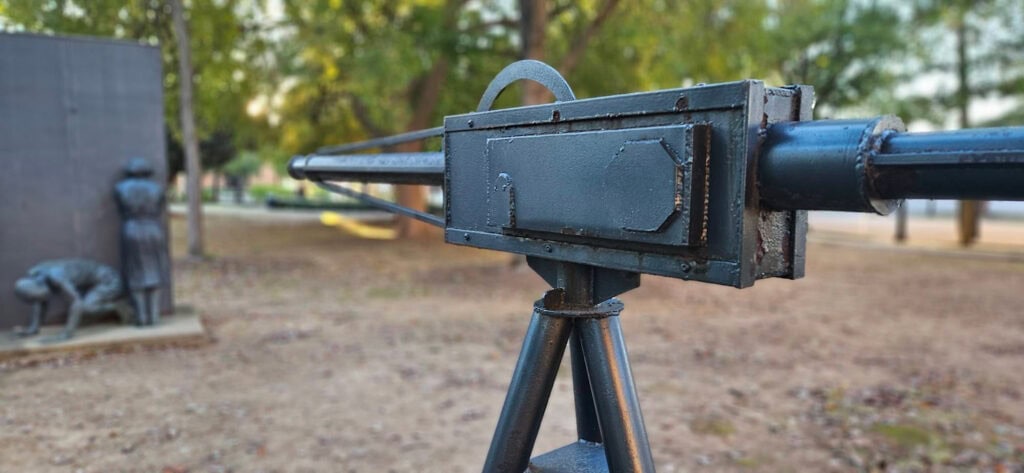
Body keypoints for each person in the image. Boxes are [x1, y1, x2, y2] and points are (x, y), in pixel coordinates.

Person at [12, 259, 132, 342]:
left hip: (109, 280)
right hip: (97, 280)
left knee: (86, 308)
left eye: (44, 296)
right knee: (84, 306)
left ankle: (118, 306)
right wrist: (33, 328)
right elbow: (39, 300)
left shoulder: (56, 277)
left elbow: (76, 302)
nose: (44, 300)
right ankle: (34, 328)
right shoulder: (36, 274)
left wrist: (66, 333)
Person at [114, 158, 169, 326]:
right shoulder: (157, 188)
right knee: (156, 269)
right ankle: (154, 316)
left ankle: (142, 318)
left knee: (135, 270)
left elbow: (120, 209)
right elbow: (160, 208)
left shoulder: (120, 188)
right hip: (153, 228)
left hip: (131, 228)